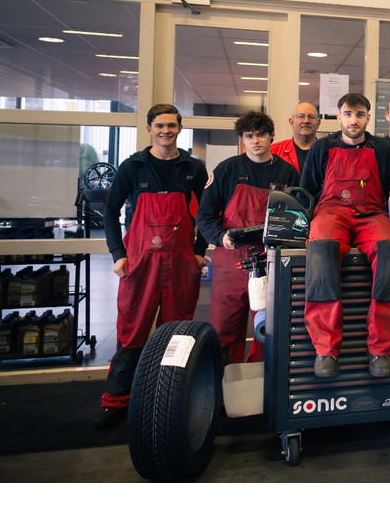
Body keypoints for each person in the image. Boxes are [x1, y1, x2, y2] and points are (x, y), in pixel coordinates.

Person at [95, 103, 209, 429]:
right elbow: (110, 212)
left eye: (171, 125)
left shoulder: (193, 168)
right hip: (140, 262)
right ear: (149, 129)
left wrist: (199, 251)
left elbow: (207, 213)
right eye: (159, 125)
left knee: (176, 334)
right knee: (131, 331)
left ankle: (170, 399)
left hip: (180, 262)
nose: (165, 131)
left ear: (180, 128)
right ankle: (117, 400)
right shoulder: (132, 166)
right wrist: (118, 254)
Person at [299, 92, 390, 378]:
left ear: (368, 118)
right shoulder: (321, 148)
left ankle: (380, 349)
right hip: (331, 213)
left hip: (372, 214)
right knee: (321, 249)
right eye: (348, 114)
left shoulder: (384, 150)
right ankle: (325, 349)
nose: (353, 120)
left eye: (360, 115)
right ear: (339, 117)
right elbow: (307, 192)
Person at [196, 111, 300, 365]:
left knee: (269, 331)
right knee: (223, 330)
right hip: (231, 259)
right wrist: (220, 237)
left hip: (272, 261)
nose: (255, 141)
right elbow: (205, 215)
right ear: (242, 139)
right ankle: (222, 385)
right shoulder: (227, 169)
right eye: (249, 136)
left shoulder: (288, 173)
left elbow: (299, 218)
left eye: (261, 135)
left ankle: (265, 384)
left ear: (272, 136)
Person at [269, 102, 321, 173]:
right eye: (301, 116)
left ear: (318, 123)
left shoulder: (327, 152)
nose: (306, 121)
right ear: (291, 122)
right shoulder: (273, 151)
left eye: (311, 117)